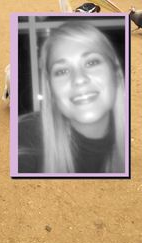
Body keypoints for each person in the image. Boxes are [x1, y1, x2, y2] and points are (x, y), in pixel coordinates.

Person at [18, 20, 125, 174]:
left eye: (91, 62)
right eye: (62, 71)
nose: (79, 79)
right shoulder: (25, 137)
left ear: (116, 73)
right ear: (51, 89)